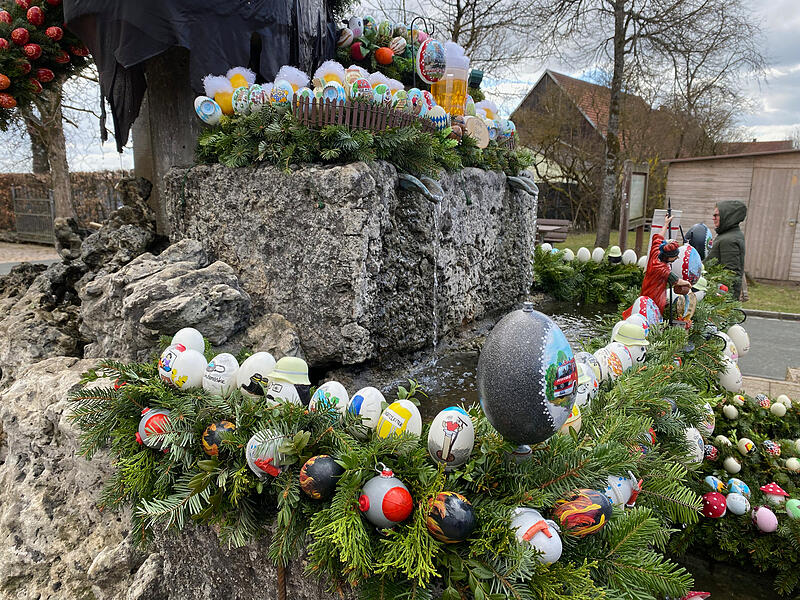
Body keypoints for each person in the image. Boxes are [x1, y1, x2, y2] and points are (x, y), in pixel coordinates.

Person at [624, 214, 691, 319]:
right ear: (668, 257)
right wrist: (687, 283)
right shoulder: (660, 268)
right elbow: (676, 281)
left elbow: (658, 237)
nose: (677, 258)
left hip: (648, 289)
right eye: (675, 257)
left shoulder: (656, 251)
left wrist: (666, 223)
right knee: (651, 312)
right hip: (654, 294)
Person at [705, 200, 747, 299]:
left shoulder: (729, 240)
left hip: (721, 296)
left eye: (716, 215)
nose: (713, 218)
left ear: (727, 216)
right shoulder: (727, 235)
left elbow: (730, 273)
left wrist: (723, 298)